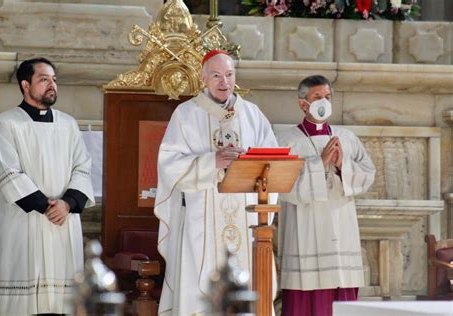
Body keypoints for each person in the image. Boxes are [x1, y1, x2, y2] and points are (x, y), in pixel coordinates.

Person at [154, 50, 278, 315]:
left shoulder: (252, 114)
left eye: (230, 75)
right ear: (203, 77)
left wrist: (250, 163)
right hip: (202, 217)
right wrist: (212, 162)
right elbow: (169, 166)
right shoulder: (186, 114)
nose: (225, 82)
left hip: (247, 221)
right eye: (217, 76)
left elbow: (273, 164)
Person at [0, 57, 95, 315]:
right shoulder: (5, 124)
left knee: (62, 304)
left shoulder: (68, 125)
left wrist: (67, 204)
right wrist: (48, 207)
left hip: (63, 223)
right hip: (24, 226)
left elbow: (83, 167)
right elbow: (8, 172)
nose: (52, 85)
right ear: (25, 85)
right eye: (44, 79)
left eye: (54, 80)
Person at [276, 75, 376, 316]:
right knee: (306, 297)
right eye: (317, 97)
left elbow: (368, 174)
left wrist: (343, 166)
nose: (324, 102)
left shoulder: (347, 138)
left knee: (340, 290)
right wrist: (318, 164)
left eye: (328, 97)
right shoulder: (286, 141)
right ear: (303, 103)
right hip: (305, 229)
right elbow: (280, 186)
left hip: (341, 227)